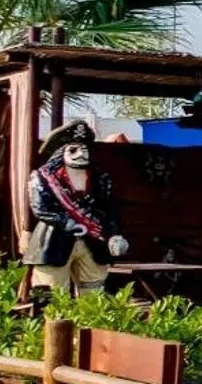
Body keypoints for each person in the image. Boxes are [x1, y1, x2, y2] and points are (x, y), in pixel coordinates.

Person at [22, 120, 129, 295]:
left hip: (93, 242)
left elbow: (110, 208)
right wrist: (67, 223)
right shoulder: (43, 177)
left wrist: (115, 234)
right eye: (73, 150)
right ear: (61, 152)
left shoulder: (100, 178)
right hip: (53, 240)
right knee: (52, 292)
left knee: (94, 291)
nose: (81, 154)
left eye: (84, 150)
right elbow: (41, 208)